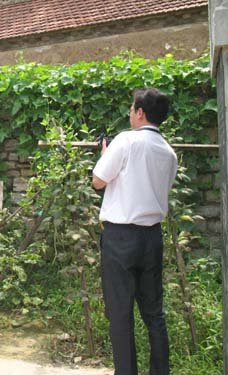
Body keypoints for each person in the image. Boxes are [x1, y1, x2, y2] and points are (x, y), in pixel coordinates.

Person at [92, 88, 178, 375]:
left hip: (120, 238)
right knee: (154, 313)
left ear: (140, 112)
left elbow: (98, 181)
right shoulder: (169, 152)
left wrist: (104, 156)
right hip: (152, 237)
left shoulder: (125, 141)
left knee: (120, 313)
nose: (130, 113)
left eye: (132, 109)